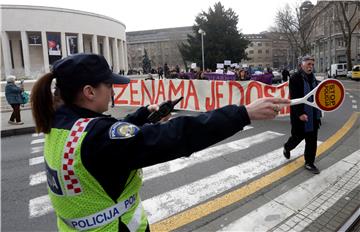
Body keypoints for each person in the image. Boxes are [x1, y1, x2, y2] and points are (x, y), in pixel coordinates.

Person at [31, 53, 289, 231]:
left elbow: (107, 134)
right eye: (108, 85)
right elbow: (180, 135)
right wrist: (243, 113)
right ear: (89, 92)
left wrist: (143, 115)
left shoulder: (59, 124)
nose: (112, 90)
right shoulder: (97, 138)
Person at [283, 55, 321, 174]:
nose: (311, 67)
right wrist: (300, 114)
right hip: (299, 114)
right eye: (308, 64)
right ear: (302, 65)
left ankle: (309, 162)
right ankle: (287, 147)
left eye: (312, 64)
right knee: (297, 137)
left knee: (312, 139)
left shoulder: (314, 78)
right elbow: (294, 98)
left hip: (313, 114)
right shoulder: (295, 78)